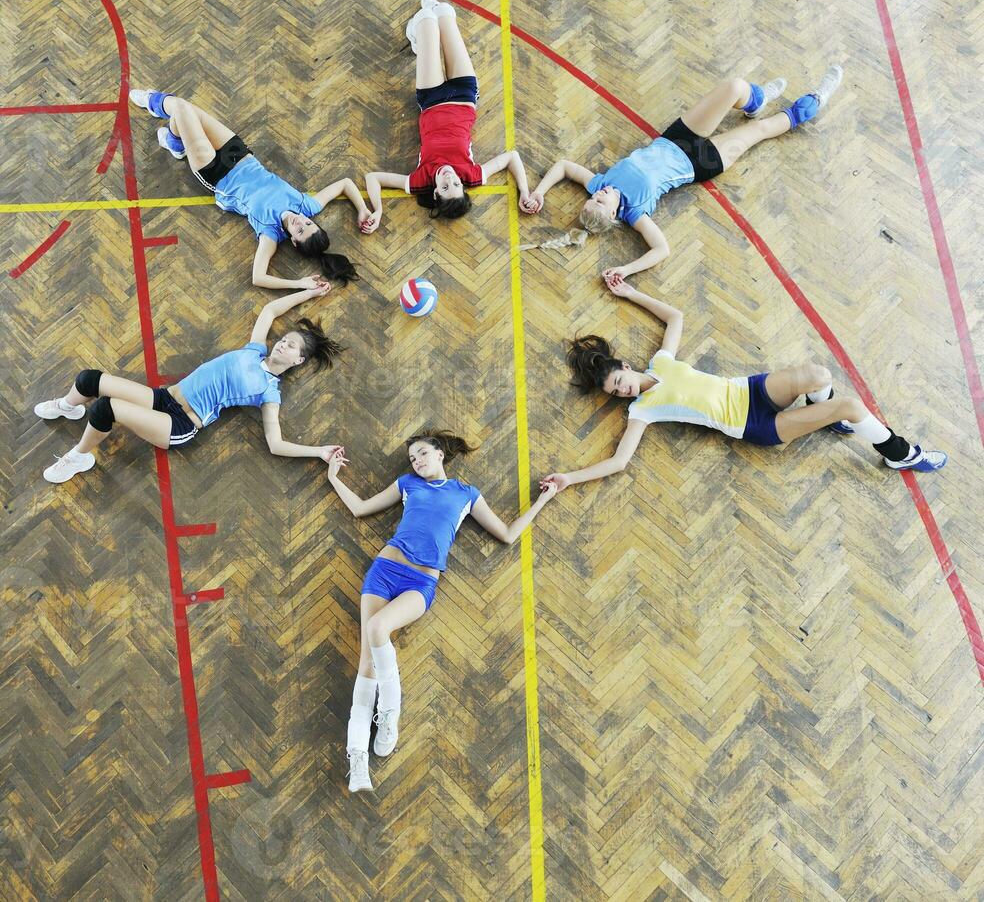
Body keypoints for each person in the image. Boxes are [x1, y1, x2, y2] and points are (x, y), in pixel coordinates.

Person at [542, 273, 947, 494]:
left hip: (749, 389)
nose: (623, 391)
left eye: (619, 382)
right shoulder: (642, 412)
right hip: (755, 427)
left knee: (818, 374)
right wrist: (568, 478)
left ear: (627, 367)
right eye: (616, 393)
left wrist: (632, 292)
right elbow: (619, 462)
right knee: (852, 405)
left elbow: (676, 318)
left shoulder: (661, 361)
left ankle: (836, 422)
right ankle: (900, 454)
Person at [325, 431, 558, 792]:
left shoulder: (466, 494)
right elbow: (360, 508)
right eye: (412, 459)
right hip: (384, 571)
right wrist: (333, 477)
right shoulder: (407, 484)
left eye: (421, 455)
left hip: (420, 584)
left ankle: (389, 713)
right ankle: (357, 761)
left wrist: (545, 500)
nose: (416, 462)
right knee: (366, 662)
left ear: (440, 454)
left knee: (376, 630)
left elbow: (508, 534)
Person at [524, 66, 844, 279]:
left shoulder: (602, 182)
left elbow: (565, 167)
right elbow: (661, 249)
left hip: (678, 137)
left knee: (733, 86)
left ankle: (755, 99)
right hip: (701, 163)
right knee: (763, 129)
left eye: (593, 197)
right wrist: (626, 268)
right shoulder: (636, 213)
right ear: (612, 217)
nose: (599, 194)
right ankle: (816, 99)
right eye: (601, 202)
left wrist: (540, 191)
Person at [34, 284, 345, 483]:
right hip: (164, 398)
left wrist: (318, 452)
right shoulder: (255, 349)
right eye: (285, 340)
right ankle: (67, 407)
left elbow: (276, 444)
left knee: (105, 409)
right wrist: (307, 291)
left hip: (180, 424)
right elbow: (270, 310)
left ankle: (80, 456)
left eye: (291, 347)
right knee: (90, 379)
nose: (282, 345)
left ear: (298, 361)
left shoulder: (269, 391)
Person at [129, 88, 370, 288]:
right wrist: (361, 209)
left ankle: (153, 102)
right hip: (240, 155)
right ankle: (174, 142)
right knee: (186, 113)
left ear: (294, 242)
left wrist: (300, 284)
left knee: (181, 108)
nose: (300, 222)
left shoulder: (270, 233)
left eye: (299, 231)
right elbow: (346, 184)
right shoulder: (307, 206)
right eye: (308, 224)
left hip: (217, 174)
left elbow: (259, 278)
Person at [360, 0, 536, 230]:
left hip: (431, 99)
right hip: (464, 95)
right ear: (462, 185)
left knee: (425, 19)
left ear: (435, 193)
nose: (449, 176)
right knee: (444, 11)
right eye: (455, 183)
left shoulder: (419, 181)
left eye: (444, 186)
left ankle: (418, 36)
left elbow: (373, 178)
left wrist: (378, 209)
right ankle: (425, 37)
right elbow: (512, 157)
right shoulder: (472, 175)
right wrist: (524, 191)